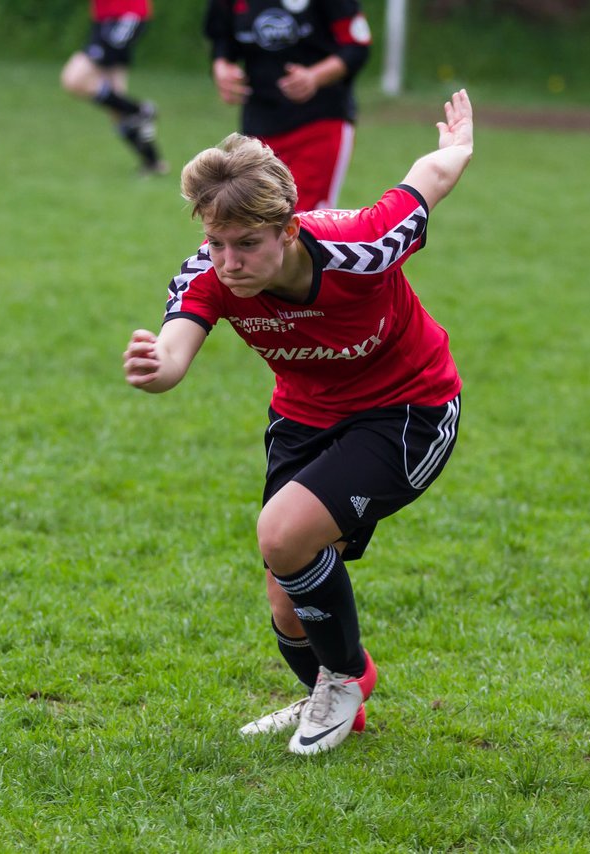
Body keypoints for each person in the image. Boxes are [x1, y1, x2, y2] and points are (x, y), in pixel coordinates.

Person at [123, 90, 474, 755]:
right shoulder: (211, 274)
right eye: (216, 243)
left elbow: (424, 183)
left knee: (282, 535)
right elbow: (175, 350)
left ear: (288, 230)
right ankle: (341, 691)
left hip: (408, 411)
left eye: (247, 244)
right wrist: (155, 366)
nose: (228, 261)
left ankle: (341, 682)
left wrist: (456, 146)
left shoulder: (359, 245)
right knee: (286, 599)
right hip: (306, 417)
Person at [203, 0, 372, 211]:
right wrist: (222, 68)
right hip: (258, 127)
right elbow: (222, 39)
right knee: (249, 217)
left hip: (319, 121)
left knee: (302, 222)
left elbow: (356, 46)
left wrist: (315, 77)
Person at [60, 0, 168, 175]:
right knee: (115, 99)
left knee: (74, 79)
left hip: (126, 14)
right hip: (105, 18)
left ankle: (140, 110)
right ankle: (153, 163)